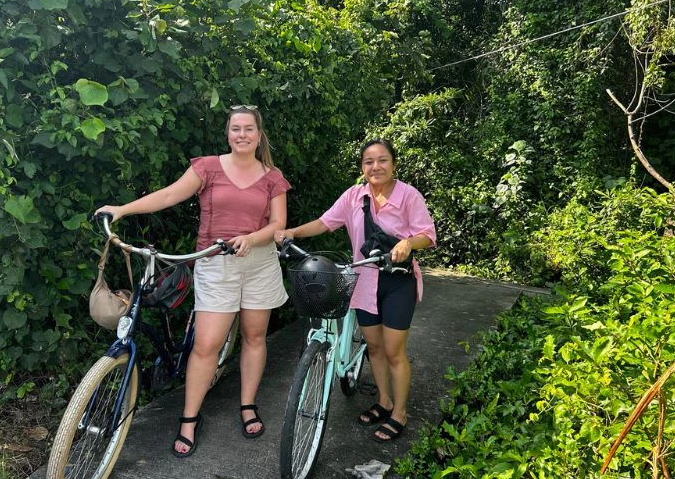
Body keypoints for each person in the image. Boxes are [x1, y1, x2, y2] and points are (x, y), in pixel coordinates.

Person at [96, 105, 290, 457]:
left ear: (259, 135)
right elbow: (169, 195)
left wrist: (252, 238)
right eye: (236, 129)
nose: (242, 135)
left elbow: (278, 224)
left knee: (255, 336)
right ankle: (189, 418)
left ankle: (247, 404)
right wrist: (123, 209)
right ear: (228, 133)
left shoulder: (272, 176)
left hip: (259, 262)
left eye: (249, 129)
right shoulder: (208, 167)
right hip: (216, 263)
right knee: (206, 345)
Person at [275, 139, 435, 442]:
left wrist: (408, 242)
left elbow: (427, 234)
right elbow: (325, 222)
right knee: (374, 347)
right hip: (364, 279)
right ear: (362, 167)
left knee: (393, 351)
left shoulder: (408, 196)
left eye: (383, 160)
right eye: (369, 162)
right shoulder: (354, 196)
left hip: (397, 281)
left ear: (394, 164)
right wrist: (293, 232)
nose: (376, 167)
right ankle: (383, 401)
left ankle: (399, 412)